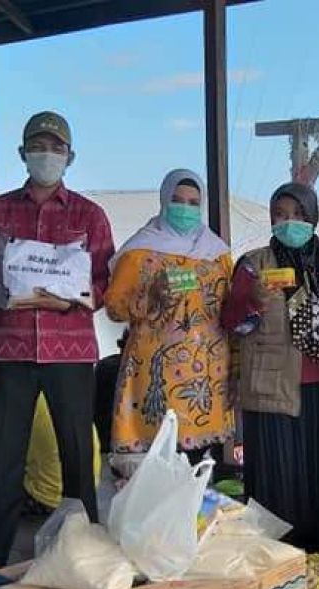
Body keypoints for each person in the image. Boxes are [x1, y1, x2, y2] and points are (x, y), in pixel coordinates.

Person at [0, 111, 115, 582]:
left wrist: (74, 297)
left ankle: (84, 552)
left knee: (77, 454)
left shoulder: (89, 215)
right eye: (38, 145)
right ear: (22, 153)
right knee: (2, 455)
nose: (46, 154)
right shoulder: (0, 211)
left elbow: (104, 283)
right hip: (8, 353)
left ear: (70, 156)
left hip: (70, 352)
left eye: (55, 147)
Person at [221, 182, 319, 552]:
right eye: (280, 215)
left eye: (297, 215)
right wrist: (252, 304)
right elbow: (233, 324)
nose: (289, 222)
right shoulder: (254, 263)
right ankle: (277, 555)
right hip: (272, 388)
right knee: (280, 477)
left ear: (313, 218)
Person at [106, 169, 235, 461]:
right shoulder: (139, 251)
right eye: (177, 200)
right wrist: (151, 293)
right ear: (164, 201)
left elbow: (231, 307)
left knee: (198, 467)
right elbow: (114, 308)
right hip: (154, 377)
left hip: (207, 377)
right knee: (155, 463)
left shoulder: (218, 254)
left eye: (193, 202)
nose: (185, 208)